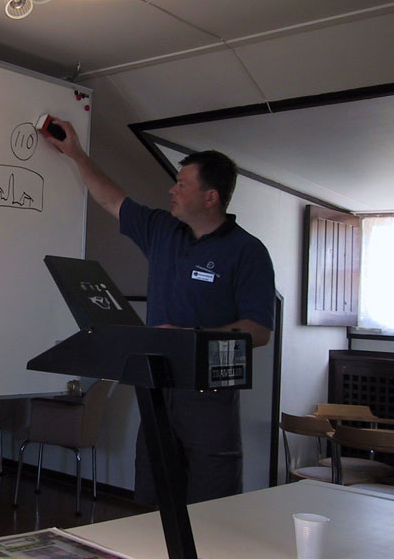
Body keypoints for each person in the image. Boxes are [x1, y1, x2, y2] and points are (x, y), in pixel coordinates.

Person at [44, 117, 275, 505]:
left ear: (210, 197)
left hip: (208, 395)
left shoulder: (247, 252)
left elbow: (259, 331)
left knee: (212, 504)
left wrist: (192, 339)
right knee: (153, 494)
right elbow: (111, 200)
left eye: (182, 184)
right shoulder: (163, 231)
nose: (172, 190)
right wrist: (76, 155)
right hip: (156, 386)